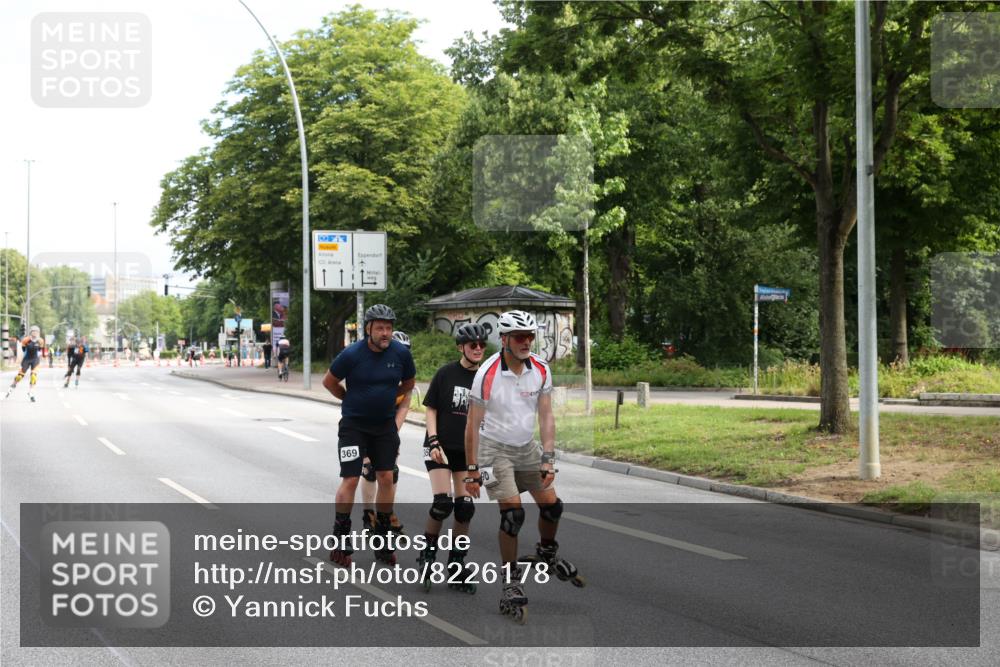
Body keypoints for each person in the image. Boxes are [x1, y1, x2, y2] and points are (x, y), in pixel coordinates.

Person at [465, 310, 583, 624]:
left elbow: (546, 416)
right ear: (504, 339)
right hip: (492, 449)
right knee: (513, 516)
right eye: (520, 337)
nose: (526, 342)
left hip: (525, 447)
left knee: (552, 507)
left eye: (530, 336)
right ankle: (510, 581)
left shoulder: (541, 369)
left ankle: (546, 550)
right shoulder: (487, 373)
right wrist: (472, 469)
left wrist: (548, 457)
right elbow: (472, 425)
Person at [322, 304, 415, 566]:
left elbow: (408, 383)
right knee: (351, 478)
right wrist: (348, 398)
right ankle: (341, 538)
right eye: (380, 328)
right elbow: (329, 381)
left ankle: (382, 535)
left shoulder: (400, 353)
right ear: (368, 329)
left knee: (386, 476)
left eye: (389, 328)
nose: (385, 333)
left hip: (384, 426)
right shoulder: (352, 354)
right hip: (354, 426)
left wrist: (388, 400)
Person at [416, 323, 488, 593]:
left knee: (465, 508)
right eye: (473, 345)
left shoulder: (485, 380)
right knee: (443, 504)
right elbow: (431, 408)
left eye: (482, 344)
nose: (478, 348)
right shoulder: (446, 373)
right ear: (461, 347)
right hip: (439, 447)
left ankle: (457, 566)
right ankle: (427, 555)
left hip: (466, 452)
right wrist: (433, 439)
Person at [360, 330, 413, 535]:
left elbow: (404, 407)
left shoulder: (406, 376)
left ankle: (387, 513)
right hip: (364, 422)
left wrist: (392, 433)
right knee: (370, 469)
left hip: (388, 426)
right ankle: (368, 515)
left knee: (391, 470)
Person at [6, 326, 43, 402]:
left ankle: (31, 392)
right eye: (33, 331)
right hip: (27, 359)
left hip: (35, 360)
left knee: (33, 376)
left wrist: (40, 359)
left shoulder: (40, 341)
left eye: (36, 332)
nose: (35, 333)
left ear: (38, 333)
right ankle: (13, 385)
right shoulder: (26, 340)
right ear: (31, 332)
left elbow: (40, 351)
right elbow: (23, 350)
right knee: (20, 376)